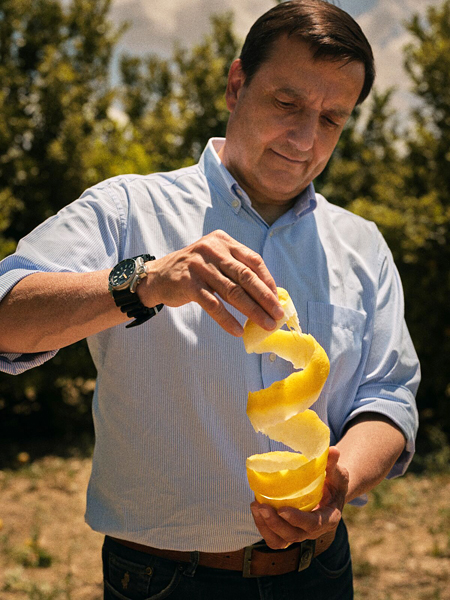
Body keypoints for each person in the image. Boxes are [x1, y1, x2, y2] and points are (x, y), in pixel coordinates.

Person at [0, 1, 419, 598]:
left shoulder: (361, 242)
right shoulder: (126, 209)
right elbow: (7, 316)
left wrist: (340, 481)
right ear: (235, 84)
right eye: (287, 103)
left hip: (319, 570)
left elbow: (388, 395)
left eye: (332, 118)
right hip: (162, 579)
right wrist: (142, 281)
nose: (305, 139)